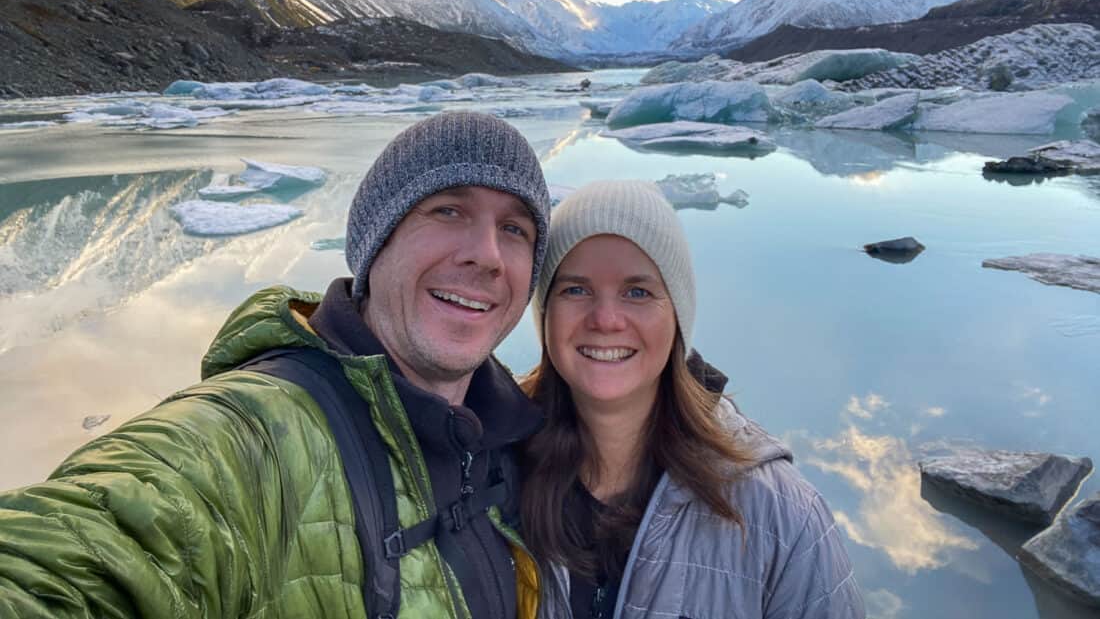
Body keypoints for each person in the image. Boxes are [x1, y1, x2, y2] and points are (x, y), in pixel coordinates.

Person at [0, 111, 551, 619]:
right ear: (376, 241)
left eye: (515, 229)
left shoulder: (514, 438)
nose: (487, 254)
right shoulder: (258, 429)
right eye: (448, 210)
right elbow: (92, 544)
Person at [520, 180, 865, 618]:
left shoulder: (781, 516)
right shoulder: (488, 473)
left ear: (678, 315)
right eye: (575, 289)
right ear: (544, 315)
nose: (605, 319)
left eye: (638, 292)